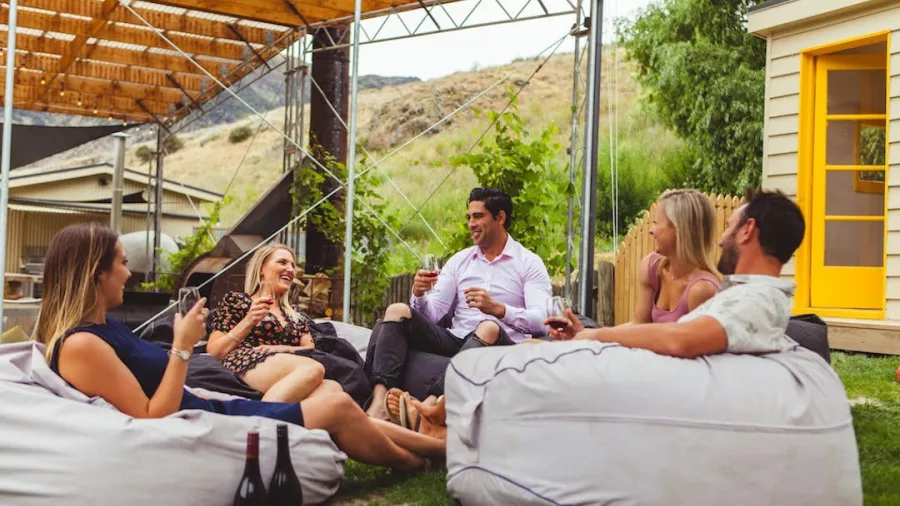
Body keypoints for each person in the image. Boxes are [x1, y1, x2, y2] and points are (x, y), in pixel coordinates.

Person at [36, 223, 445, 471]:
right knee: (333, 402)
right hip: (204, 413)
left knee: (335, 398)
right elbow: (149, 415)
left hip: (204, 402)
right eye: (122, 262)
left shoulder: (99, 328)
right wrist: (182, 346)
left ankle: (432, 452)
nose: (130, 272)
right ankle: (419, 460)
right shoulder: (82, 344)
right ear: (95, 273)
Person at [365, 187, 552, 420]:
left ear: (500, 218)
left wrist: (498, 310)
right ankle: (379, 402)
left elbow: (542, 323)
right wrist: (420, 294)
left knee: (488, 326)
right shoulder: (460, 261)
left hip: (498, 345)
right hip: (457, 339)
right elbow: (433, 314)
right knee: (397, 310)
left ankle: (430, 408)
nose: (471, 223)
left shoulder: (529, 263)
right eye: (469, 217)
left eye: (478, 216)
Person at [548, 189, 805, 358]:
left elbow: (678, 340)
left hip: (655, 382)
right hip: (646, 370)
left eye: (728, 228)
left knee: (534, 353)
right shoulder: (750, 295)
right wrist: (588, 337)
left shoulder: (756, 301)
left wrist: (595, 335)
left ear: (747, 230)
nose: (720, 240)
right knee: (539, 347)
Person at [206, 244, 361, 404]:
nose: (290, 269)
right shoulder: (238, 301)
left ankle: (286, 424)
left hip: (288, 364)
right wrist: (249, 321)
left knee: (332, 389)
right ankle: (262, 419)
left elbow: (309, 348)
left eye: (293, 265)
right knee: (313, 368)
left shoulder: (295, 313)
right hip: (247, 360)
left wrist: (282, 348)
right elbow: (214, 350)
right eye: (282, 262)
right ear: (261, 269)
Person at [631, 189, 720, 324]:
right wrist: (593, 335)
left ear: (679, 229)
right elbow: (637, 326)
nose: (651, 230)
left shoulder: (702, 290)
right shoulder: (652, 268)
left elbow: (691, 344)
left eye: (656, 223)